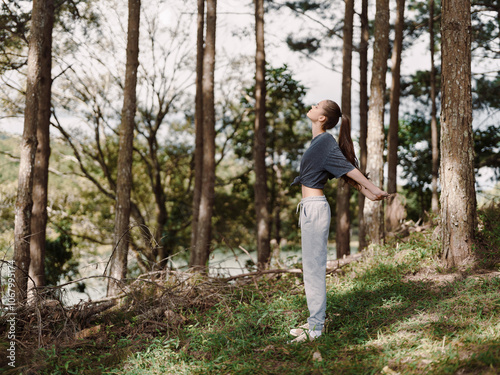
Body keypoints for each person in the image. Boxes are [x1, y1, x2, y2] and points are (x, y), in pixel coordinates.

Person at [289, 99, 389, 343]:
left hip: (314, 209)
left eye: (318, 105)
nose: (313, 105)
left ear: (322, 118)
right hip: (309, 209)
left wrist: (372, 187)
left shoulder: (324, 141)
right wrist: (367, 191)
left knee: (313, 269)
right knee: (310, 268)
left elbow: (347, 168)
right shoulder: (319, 142)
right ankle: (314, 320)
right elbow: (344, 171)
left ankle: (316, 328)